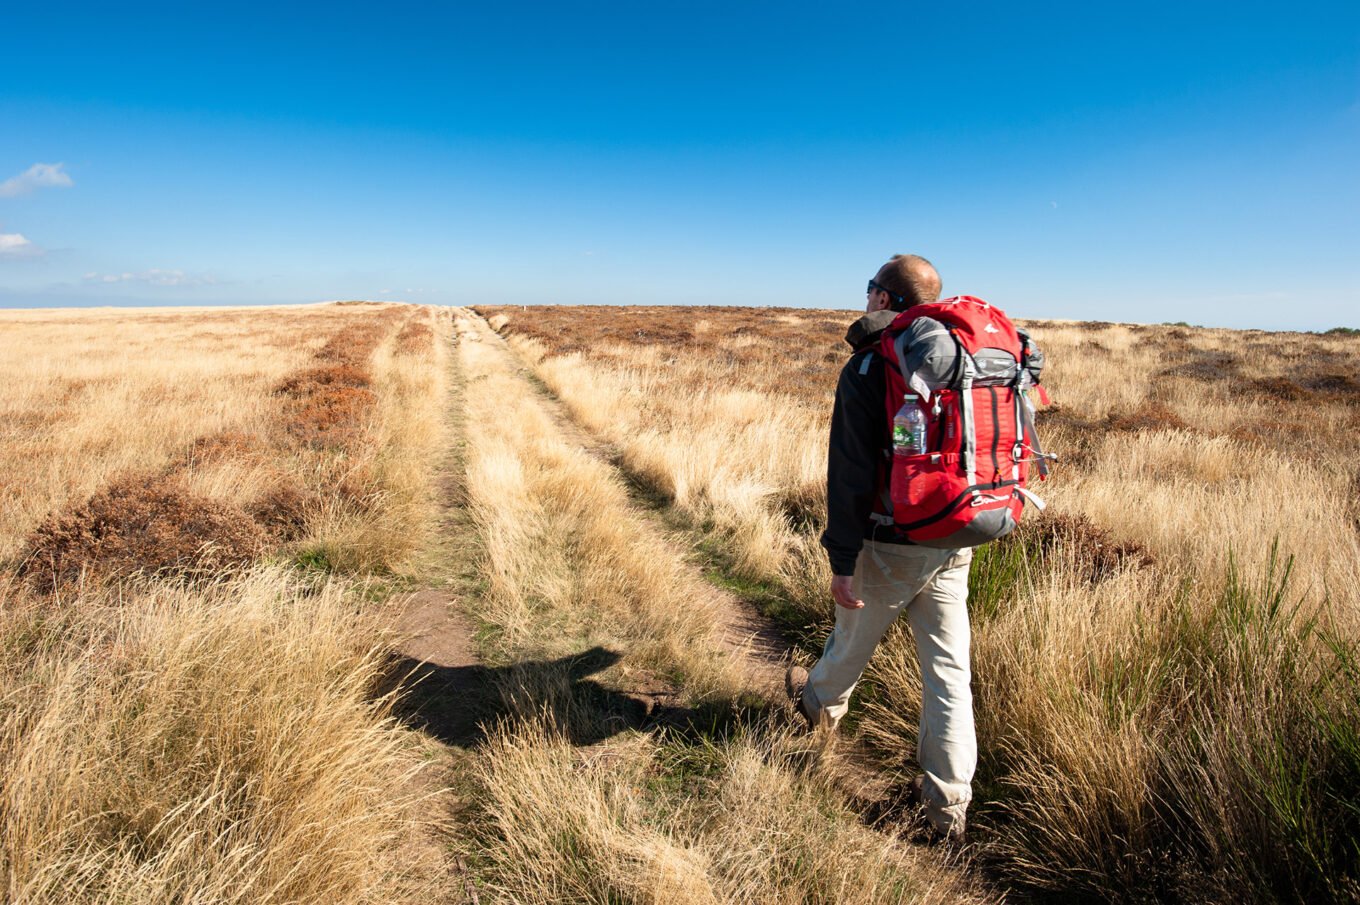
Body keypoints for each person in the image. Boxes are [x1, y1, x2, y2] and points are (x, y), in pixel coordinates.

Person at [786, 253, 975, 842]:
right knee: (948, 672)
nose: (865, 297)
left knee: (849, 645)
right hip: (954, 536)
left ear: (886, 299)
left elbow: (848, 474)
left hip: (889, 541)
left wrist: (842, 562)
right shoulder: (965, 358)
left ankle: (812, 724)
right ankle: (948, 811)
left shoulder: (872, 364)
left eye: (870, 288)